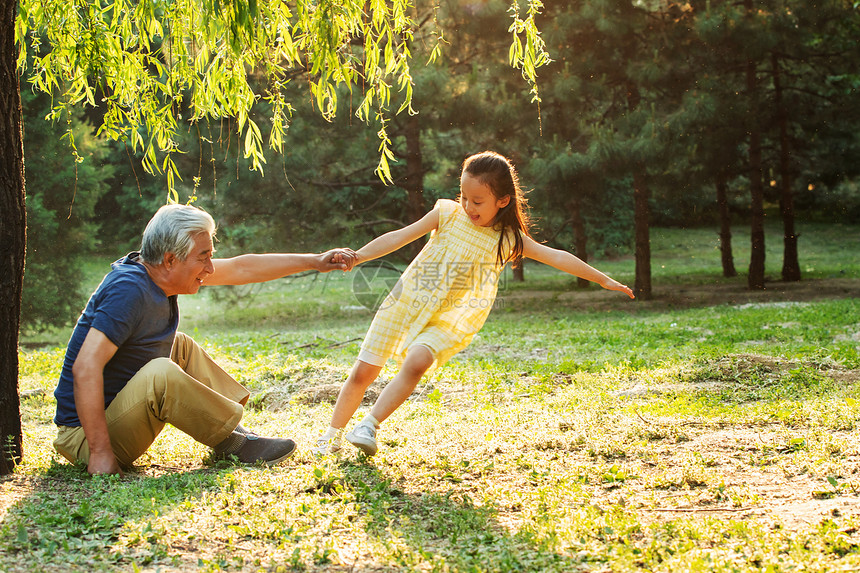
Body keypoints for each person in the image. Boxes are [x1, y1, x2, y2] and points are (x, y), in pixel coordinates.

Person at [314, 150, 635, 457]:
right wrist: (359, 255)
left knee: (417, 363)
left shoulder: (509, 239)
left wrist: (603, 279)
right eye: (464, 197)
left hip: (450, 318)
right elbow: (400, 235)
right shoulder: (447, 214)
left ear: (503, 201)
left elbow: (557, 256)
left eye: (478, 201)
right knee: (363, 373)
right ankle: (332, 435)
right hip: (407, 301)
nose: (468, 206)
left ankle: (368, 426)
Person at [52, 203, 355, 475]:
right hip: (86, 440)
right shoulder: (128, 290)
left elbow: (241, 267)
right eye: (203, 258)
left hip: (111, 419)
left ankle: (234, 432)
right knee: (162, 373)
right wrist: (101, 454)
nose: (209, 269)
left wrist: (314, 261)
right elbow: (85, 367)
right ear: (170, 259)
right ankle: (232, 442)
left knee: (179, 346)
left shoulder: (155, 274)